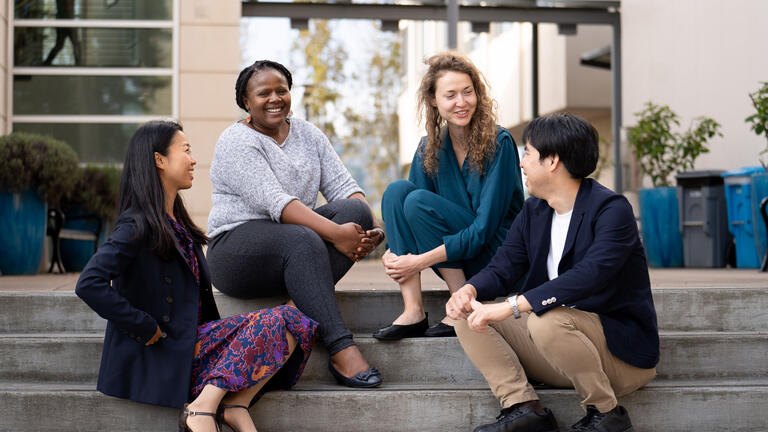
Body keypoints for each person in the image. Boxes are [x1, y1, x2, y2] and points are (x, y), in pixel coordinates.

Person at [75, 120, 317, 432]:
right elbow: (89, 283)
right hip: (166, 350)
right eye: (186, 151)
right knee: (273, 321)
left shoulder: (177, 223)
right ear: (160, 160)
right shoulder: (136, 224)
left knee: (294, 319)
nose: (193, 160)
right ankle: (201, 410)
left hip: (196, 342)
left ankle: (235, 404)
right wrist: (144, 326)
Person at [445, 113, 659, 432]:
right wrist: (470, 291)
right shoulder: (535, 211)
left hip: (620, 357)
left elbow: (589, 275)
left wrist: (513, 305)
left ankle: (606, 413)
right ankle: (524, 408)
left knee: (547, 320)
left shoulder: (612, 209)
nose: (522, 163)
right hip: (558, 350)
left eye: (528, 152)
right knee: (464, 316)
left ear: (552, 160)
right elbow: (504, 266)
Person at [206, 60, 385, 388]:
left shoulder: (308, 134)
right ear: (246, 102)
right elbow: (277, 203)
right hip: (236, 251)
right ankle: (340, 348)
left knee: (355, 213)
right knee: (303, 237)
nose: (274, 98)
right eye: (263, 93)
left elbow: (346, 189)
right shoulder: (235, 141)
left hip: (296, 244)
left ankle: (301, 304)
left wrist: (371, 230)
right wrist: (336, 234)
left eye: (281, 90)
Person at [373, 52, 524, 340]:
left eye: (468, 92)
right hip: (456, 257)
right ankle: (413, 309)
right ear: (433, 100)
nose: (461, 102)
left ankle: (461, 304)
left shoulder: (500, 143)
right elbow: (411, 218)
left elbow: (483, 231)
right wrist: (396, 254)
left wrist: (417, 262)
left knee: (417, 201)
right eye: (450, 95)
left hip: (497, 255)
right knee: (397, 192)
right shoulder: (428, 147)